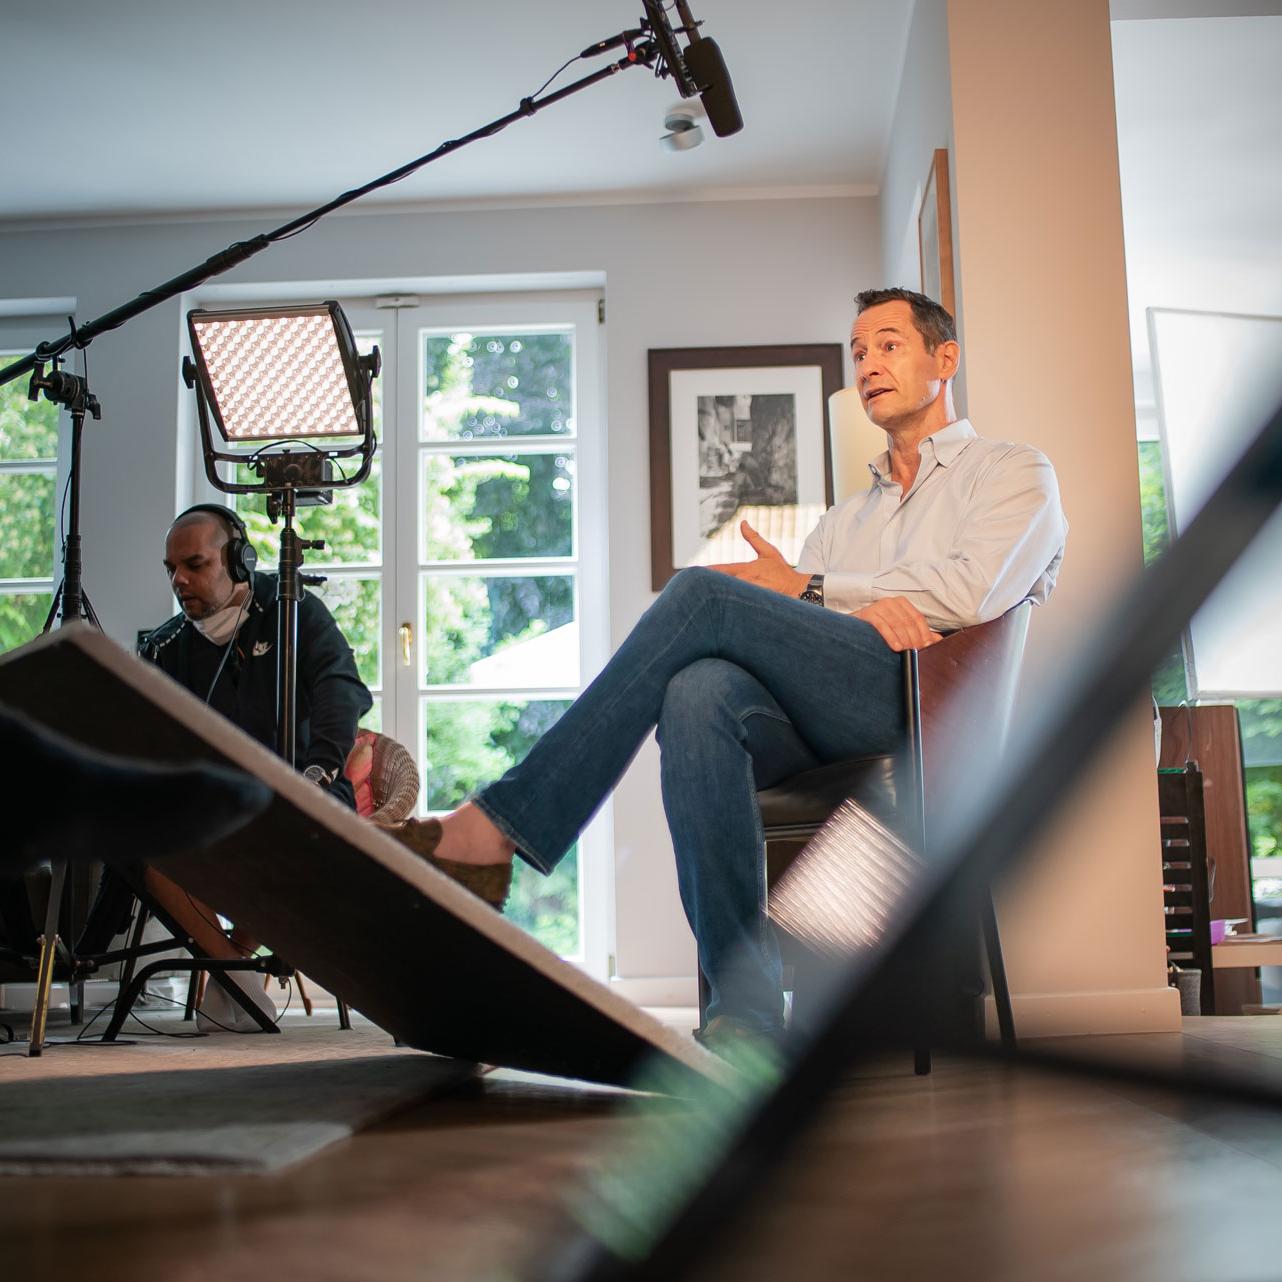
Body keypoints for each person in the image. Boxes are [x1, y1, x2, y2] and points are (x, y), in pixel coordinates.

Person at [396, 288, 1069, 1048]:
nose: (868, 365)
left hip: (927, 709)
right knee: (697, 691)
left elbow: (971, 589)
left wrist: (823, 589)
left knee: (701, 596)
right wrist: (854, 603)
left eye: (888, 345)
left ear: (944, 361)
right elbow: (816, 629)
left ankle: (501, 829)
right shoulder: (846, 519)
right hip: (831, 704)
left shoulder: (1013, 472)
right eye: (858, 352)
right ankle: (744, 1017)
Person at [143, 505, 372, 807]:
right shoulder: (163, 647)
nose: (179, 580)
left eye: (195, 565)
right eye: (171, 569)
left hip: (305, 793)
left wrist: (316, 776)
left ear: (240, 561)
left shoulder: (293, 610)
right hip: (211, 807)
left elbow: (341, 689)